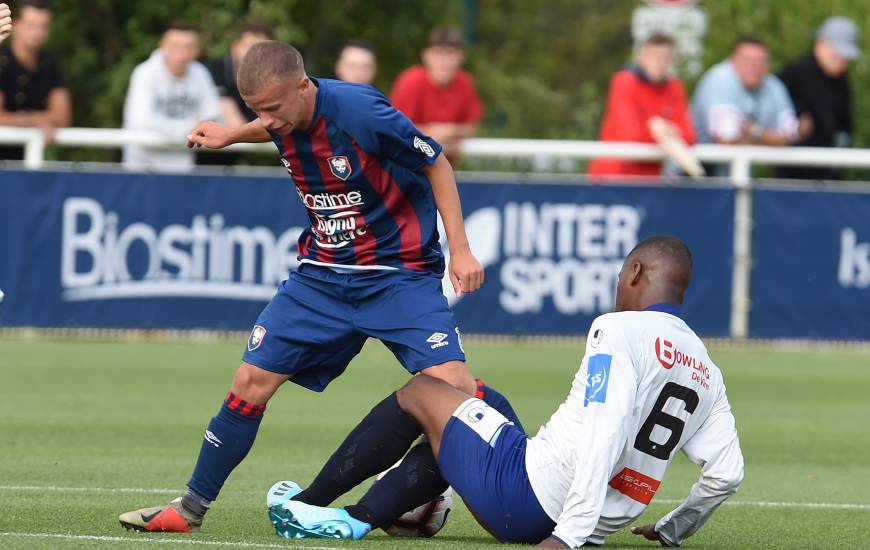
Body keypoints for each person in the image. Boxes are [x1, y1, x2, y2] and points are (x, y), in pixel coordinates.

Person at [118, 40, 517, 534]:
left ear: (304, 86)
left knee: (454, 389)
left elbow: (435, 162)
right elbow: (269, 120)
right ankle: (190, 509)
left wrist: (460, 248)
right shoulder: (276, 116)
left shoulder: (359, 110)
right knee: (249, 383)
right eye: (256, 112)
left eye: (274, 109)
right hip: (321, 277)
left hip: (398, 275)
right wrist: (231, 135)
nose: (267, 121)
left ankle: (432, 494)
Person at [270, 235, 745, 549]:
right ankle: (372, 510)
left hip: (533, 502)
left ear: (636, 272)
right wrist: (670, 531)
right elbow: (726, 474)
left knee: (424, 390)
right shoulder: (706, 368)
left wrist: (569, 537)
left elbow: (607, 424)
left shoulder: (619, 330)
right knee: (479, 398)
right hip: (583, 510)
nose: (619, 286)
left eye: (622, 276)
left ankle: (319, 507)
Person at [692, 36, 804, 176]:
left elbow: (789, 136)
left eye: (761, 61)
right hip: (696, 176)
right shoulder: (720, 79)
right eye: (747, 60)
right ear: (732, 60)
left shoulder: (773, 85)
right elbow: (727, 139)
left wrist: (753, 131)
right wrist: (768, 138)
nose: (754, 66)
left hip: (738, 178)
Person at [588, 33, 695, 178]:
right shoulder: (624, 82)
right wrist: (664, 133)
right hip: (614, 176)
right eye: (654, 57)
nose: (659, 64)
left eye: (665, 58)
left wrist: (664, 131)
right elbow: (631, 136)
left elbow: (689, 136)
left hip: (650, 179)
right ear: (640, 57)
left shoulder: (674, 87)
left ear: (673, 61)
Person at [122, 20, 220, 172]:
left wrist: (165, 127)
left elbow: (213, 116)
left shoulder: (200, 73)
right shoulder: (145, 73)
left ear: (196, 49)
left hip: (183, 167)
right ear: (162, 45)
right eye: (176, 46)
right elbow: (142, 122)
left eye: (188, 47)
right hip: (142, 167)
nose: (182, 53)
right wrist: (190, 127)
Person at [776, 16, 861, 181]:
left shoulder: (840, 80)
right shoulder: (796, 74)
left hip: (830, 173)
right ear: (820, 44)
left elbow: (845, 124)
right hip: (795, 175)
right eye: (837, 55)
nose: (842, 62)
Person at [390, 27, 483, 165]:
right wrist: (433, 135)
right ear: (426, 55)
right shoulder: (410, 82)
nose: (444, 61)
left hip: (445, 171)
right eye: (438, 53)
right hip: (408, 168)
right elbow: (395, 128)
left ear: (461, 56)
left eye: (450, 54)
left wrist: (448, 132)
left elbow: (472, 127)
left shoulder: (465, 82)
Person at [196, 18, 274, 166]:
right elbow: (234, 124)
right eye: (249, 46)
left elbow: (271, 124)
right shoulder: (211, 71)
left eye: (263, 49)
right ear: (235, 47)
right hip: (196, 157)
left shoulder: (273, 79)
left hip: (236, 159)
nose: (255, 54)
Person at [0, 0, 71, 161]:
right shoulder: (2, 62)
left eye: (43, 26)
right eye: (30, 25)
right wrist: (37, 120)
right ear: (16, 24)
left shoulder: (49, 64)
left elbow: (62, 116)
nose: (37, 32)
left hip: (28, 161)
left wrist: (20, 120)